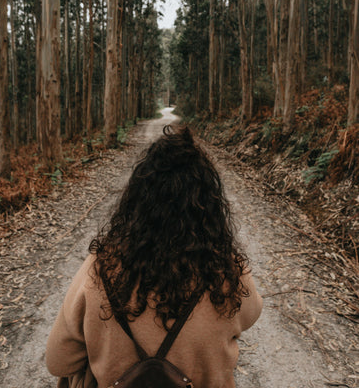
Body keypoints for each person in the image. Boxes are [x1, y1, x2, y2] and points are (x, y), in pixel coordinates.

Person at [46, 125, 262, 388]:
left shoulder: (100, 268)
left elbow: (59, 361)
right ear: (211, 207)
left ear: (136, 202)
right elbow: (251, 314)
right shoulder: (226, 270)